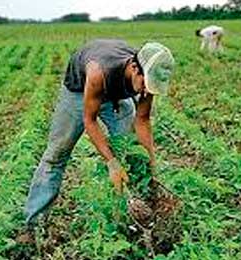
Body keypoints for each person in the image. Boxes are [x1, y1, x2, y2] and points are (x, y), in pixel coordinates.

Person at [23, 39, 175, 232]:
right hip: (80, 93)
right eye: (146, 85)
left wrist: (151, 162)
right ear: (135, 69)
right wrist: (111, 163)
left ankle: (136, 215)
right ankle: (33, 225)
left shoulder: (148, 72)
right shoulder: (98, 72)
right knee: (56, 155)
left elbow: (143, 120)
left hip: (117, 95)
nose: (147, 91)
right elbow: (90, 120)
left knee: (133, 153)